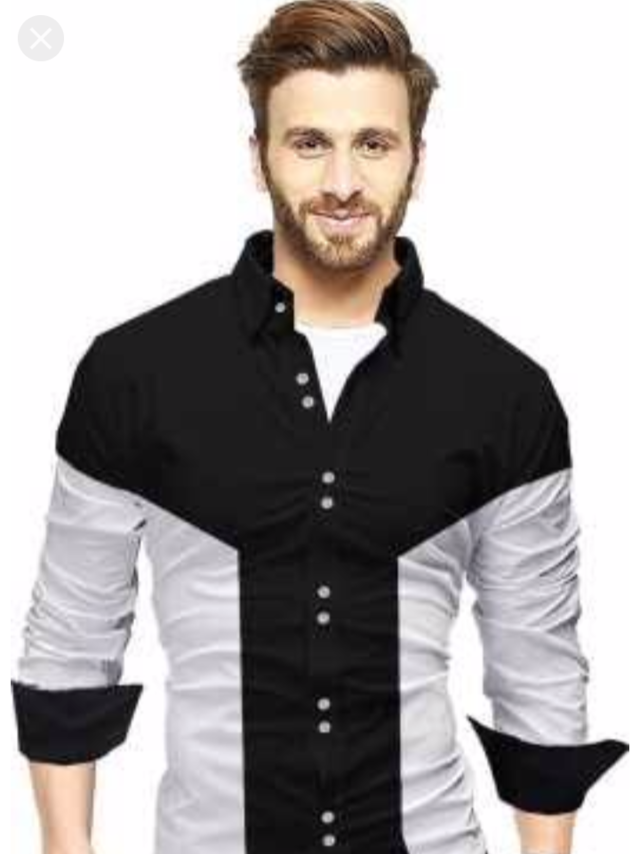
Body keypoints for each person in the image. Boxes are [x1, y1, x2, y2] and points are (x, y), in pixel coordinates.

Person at [10, 2, 628, 854]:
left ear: (417, 158)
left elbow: (538, 670)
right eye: (309, 143)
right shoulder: (135, 375)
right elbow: (71, 646)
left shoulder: (503, 393)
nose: (342, 182)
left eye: (373, 144)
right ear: (258, 156)